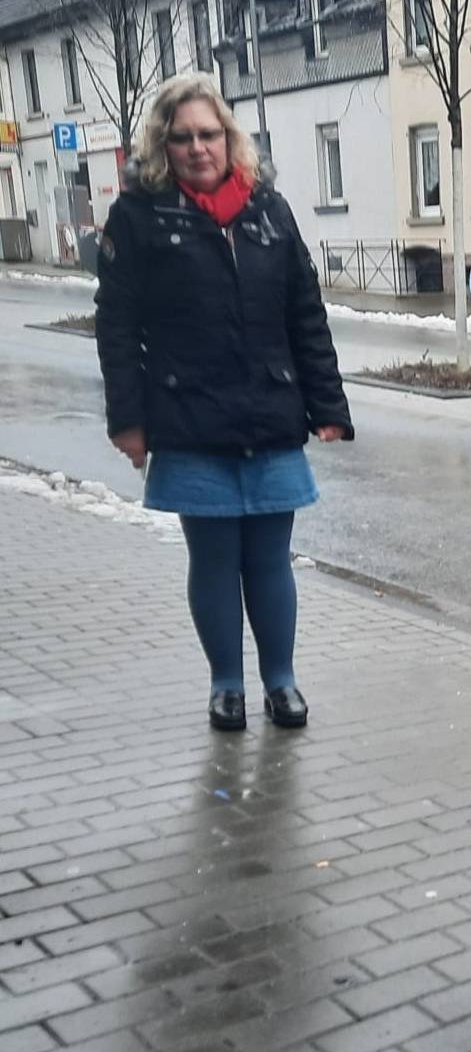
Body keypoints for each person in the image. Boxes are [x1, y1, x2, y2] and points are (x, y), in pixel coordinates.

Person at [96, 74, 353, 732]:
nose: (197, 148)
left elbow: (305, 313)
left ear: (228, 139)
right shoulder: (137, 217)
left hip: (270, 414)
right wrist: (128, 419)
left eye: (208, 134)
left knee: (269, 559)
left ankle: (282, 682)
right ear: (163, 144)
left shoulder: (270, 210)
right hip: (187, 421)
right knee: (213, 560)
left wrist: (327, 403)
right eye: (181, 137)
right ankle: (227, 686)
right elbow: (117, 326)